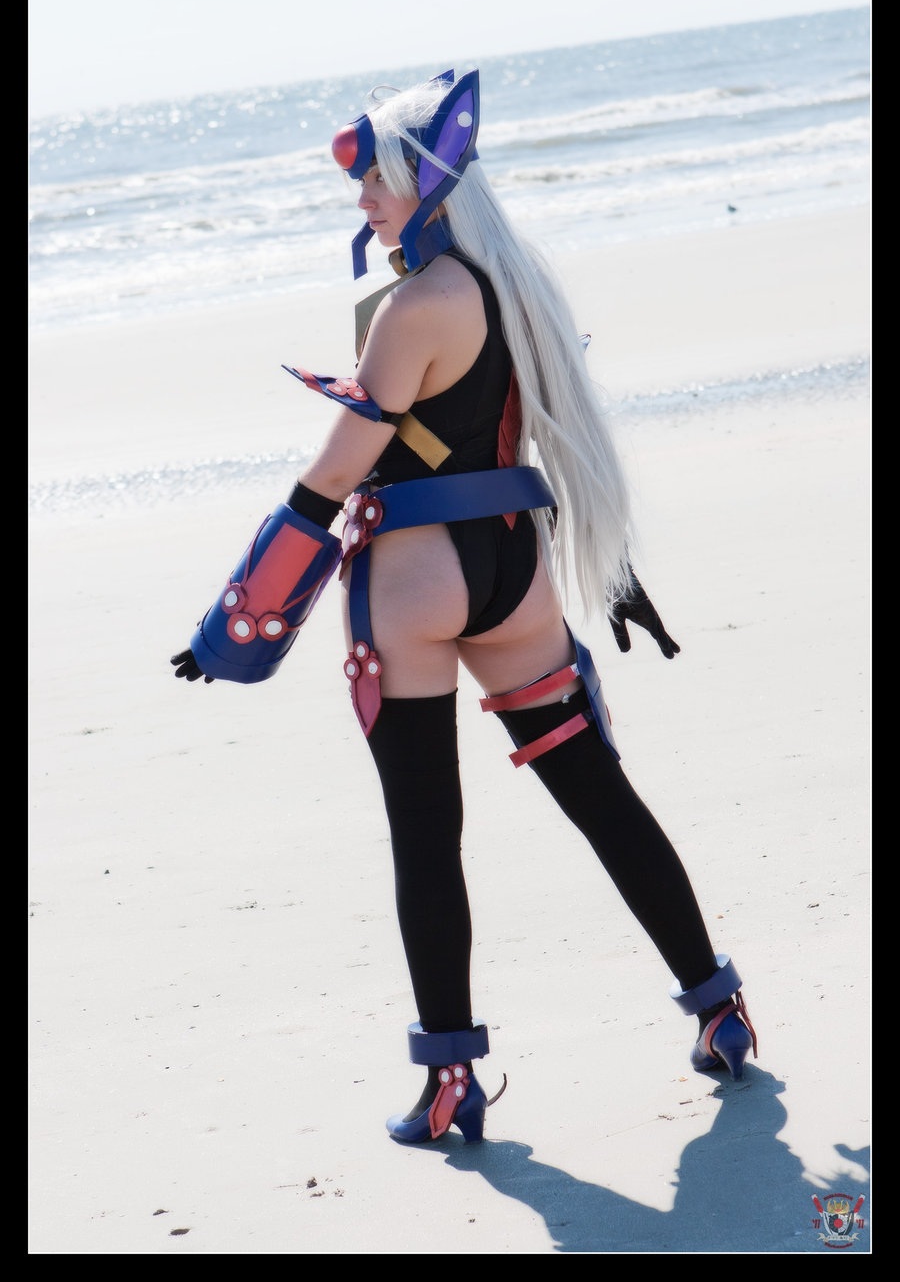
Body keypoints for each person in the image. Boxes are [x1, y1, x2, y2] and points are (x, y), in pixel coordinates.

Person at [171, 69, 757, 1145]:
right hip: (516, 574)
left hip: (417, 579)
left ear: (427, 184)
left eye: (378, 183)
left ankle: (451, 1082)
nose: (363, 203)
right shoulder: (516, 287)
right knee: (599, 794)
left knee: (426, 833)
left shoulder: (414, 307)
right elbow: (558, 435)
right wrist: (616, 575)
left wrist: (237, 622)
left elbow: (332, 477)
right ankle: (720, 1007)